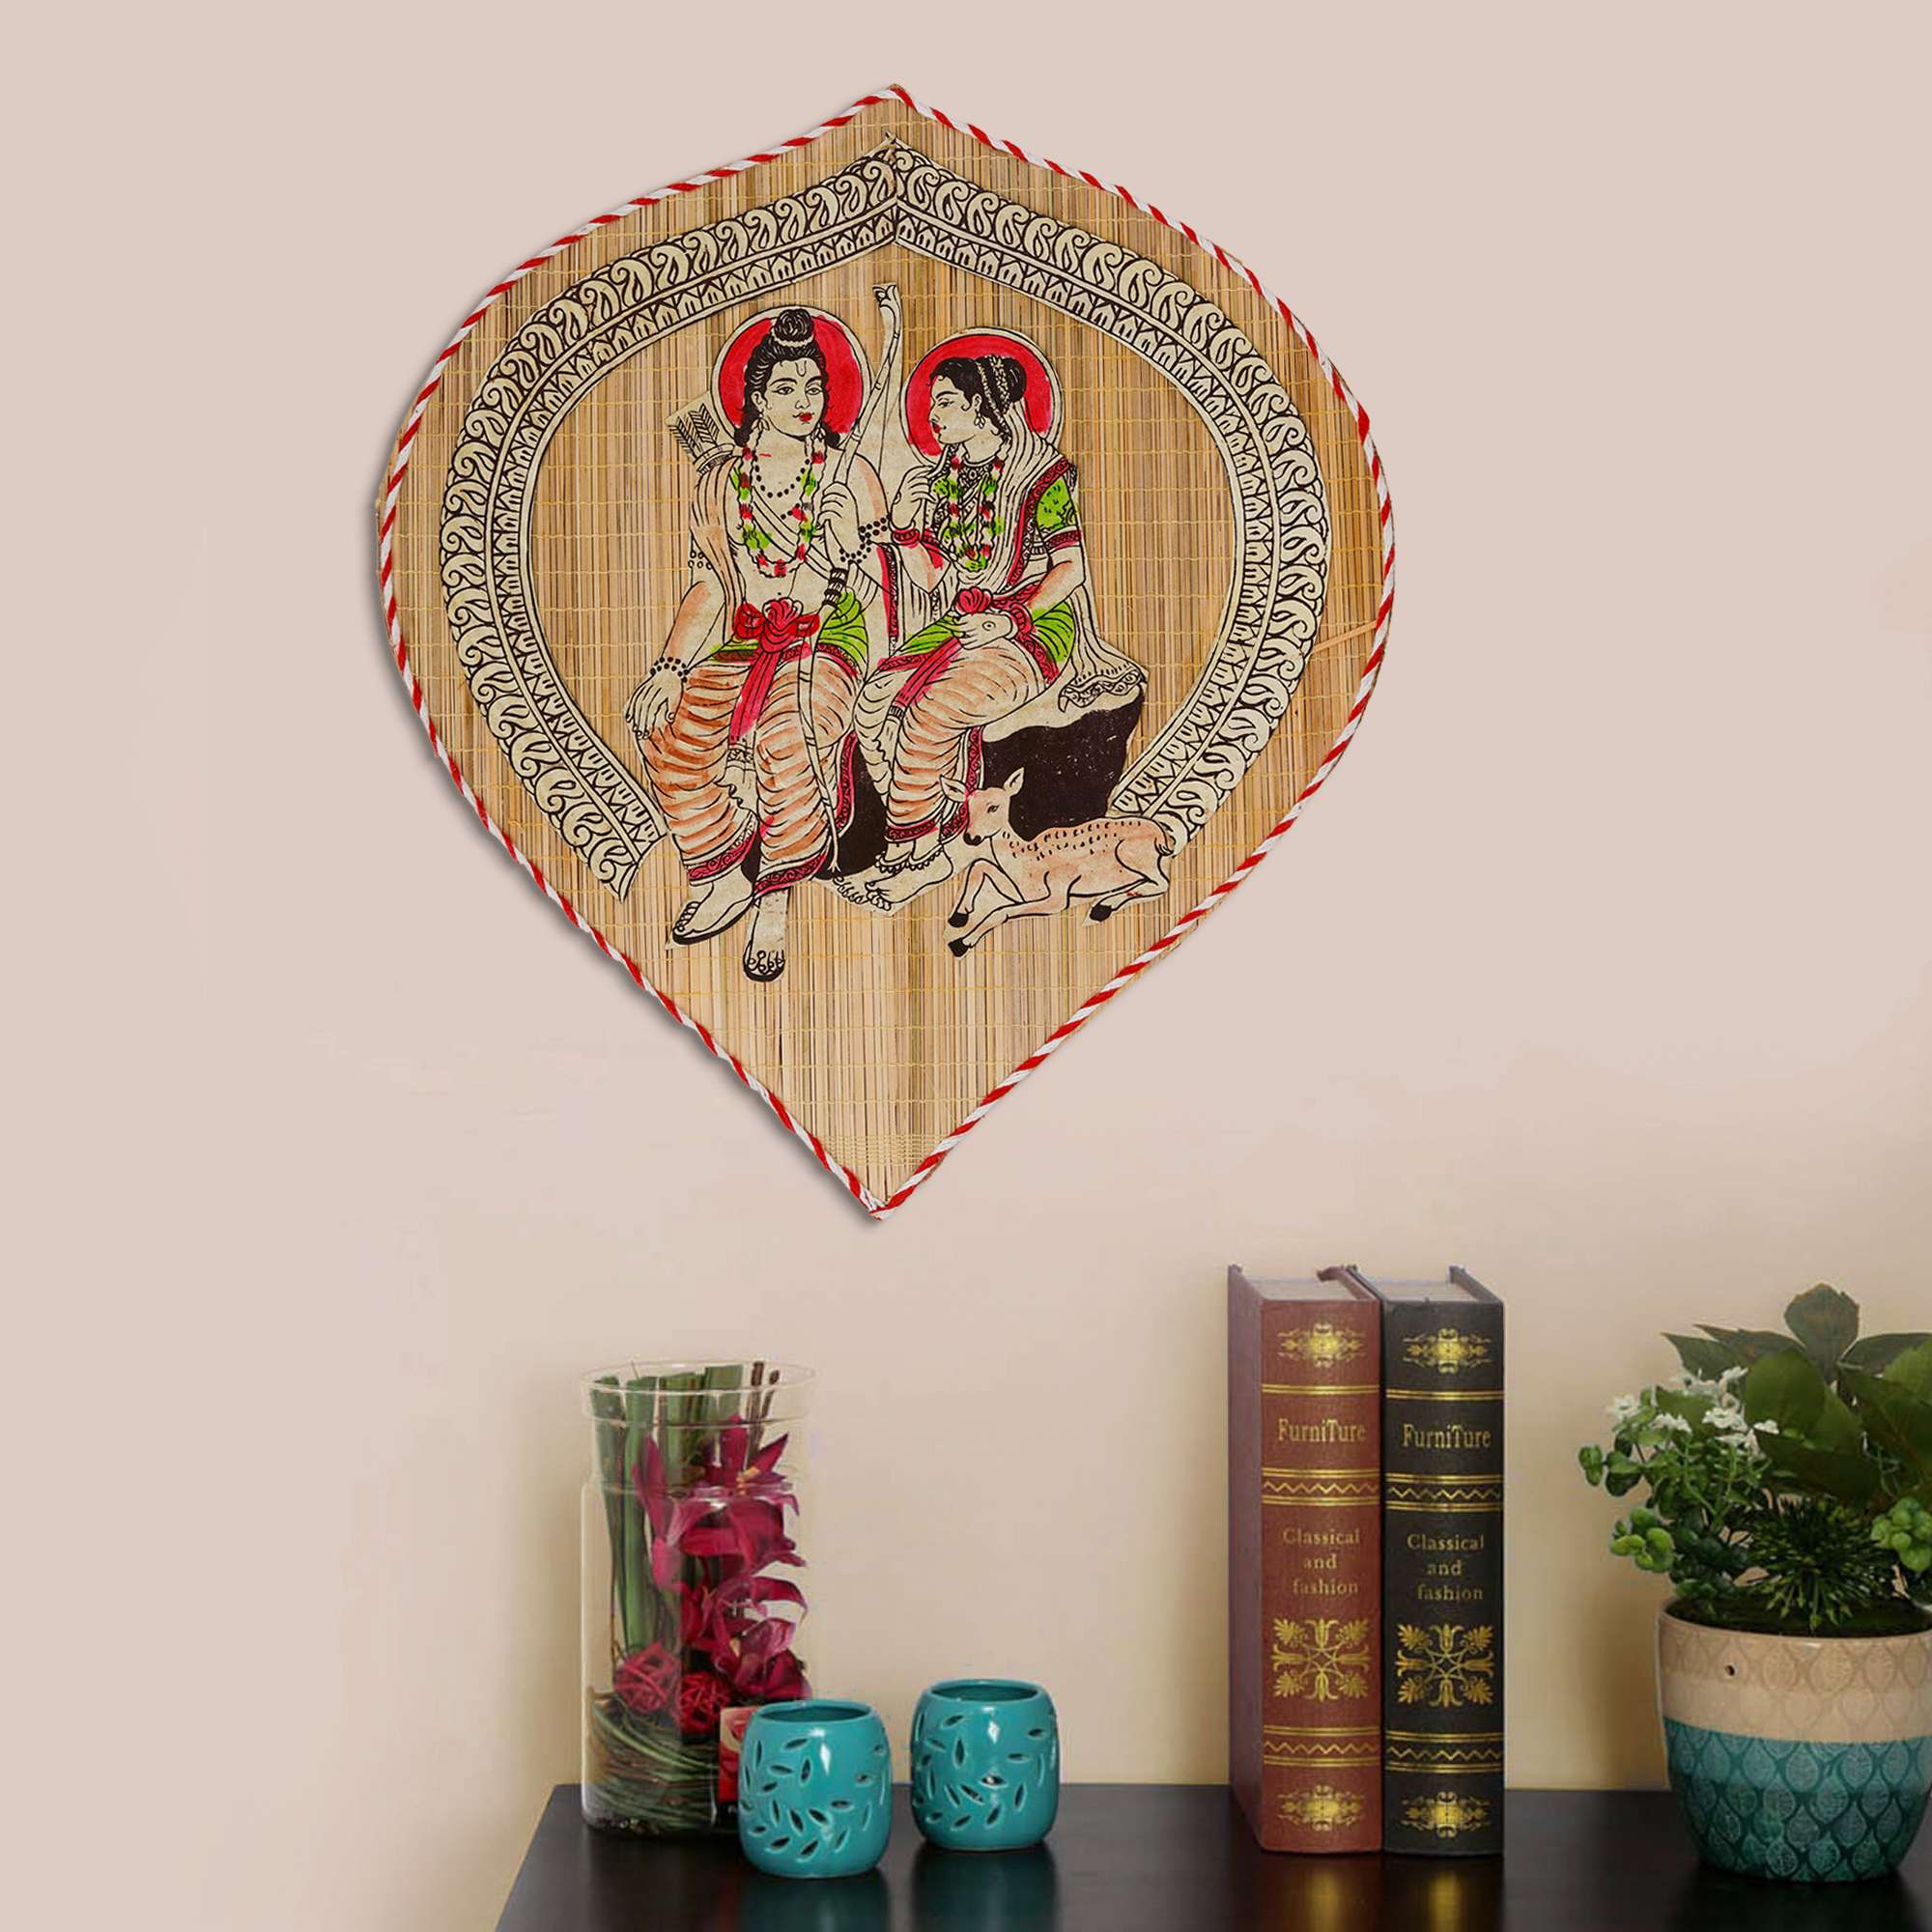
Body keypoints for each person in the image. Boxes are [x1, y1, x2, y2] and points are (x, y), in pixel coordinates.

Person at [625, 308, 890, 981]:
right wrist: (670, 667)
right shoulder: (720, 482)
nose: (804, 402)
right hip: (747, 641)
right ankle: (720, 873)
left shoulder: (851, 473)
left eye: (814, 388)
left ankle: (774, 897)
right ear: (757, 398)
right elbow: (711, 585)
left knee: (786, 734)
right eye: (786, 389)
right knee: (666, 727)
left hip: (829, 636)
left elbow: (892, 582)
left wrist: (851, 544)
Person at [845, 348, 1131, 910]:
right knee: (873, 703)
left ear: (980, 407)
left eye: (945, 403)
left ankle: (915, 853)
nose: (932, 416)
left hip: (1034, 624)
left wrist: (1009, 619)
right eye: (931, 405)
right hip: (963, 621)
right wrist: (902, 529)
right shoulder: (943, 479)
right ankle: (920, 833)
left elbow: (1070, 569)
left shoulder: (1037, 474)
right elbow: (932, 577)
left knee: (932, 711)